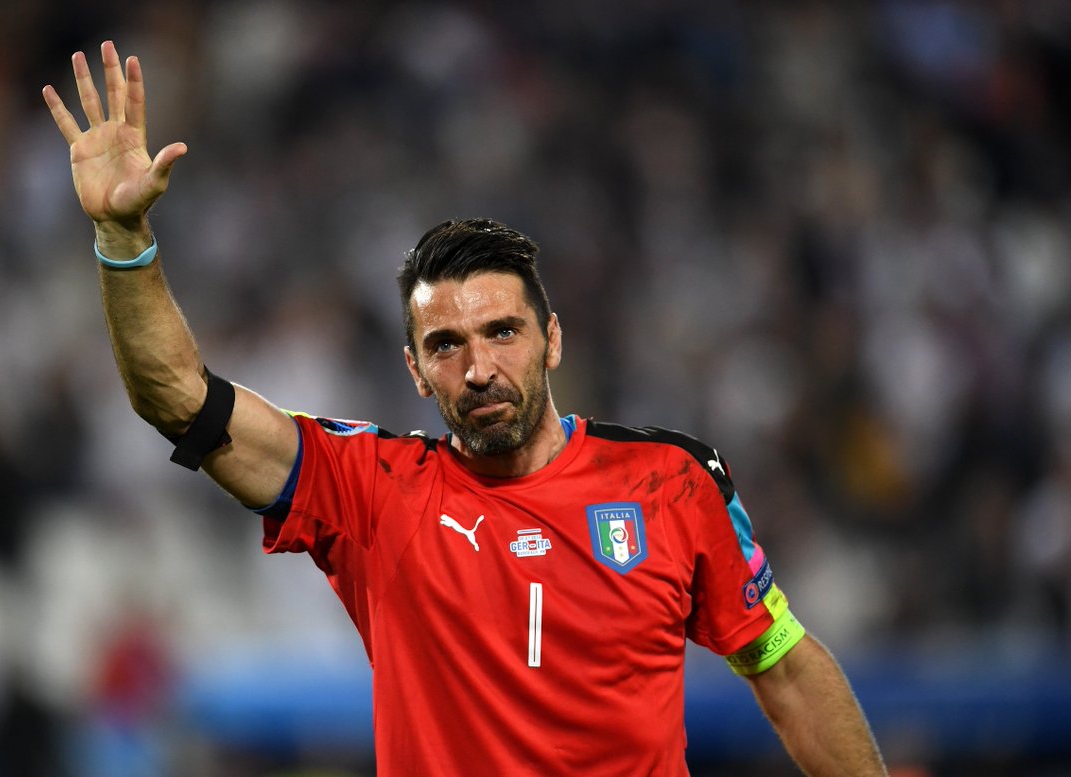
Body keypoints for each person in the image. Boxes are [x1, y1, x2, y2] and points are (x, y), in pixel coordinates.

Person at [43, 41, 888, 777]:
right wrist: (124, 242)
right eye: (446, 344)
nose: (480, 366)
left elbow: (785, 667)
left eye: (503, 332)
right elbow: (177, 398)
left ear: (552, 339)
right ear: (415, 369)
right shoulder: (373, 491)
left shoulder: (672, 482)